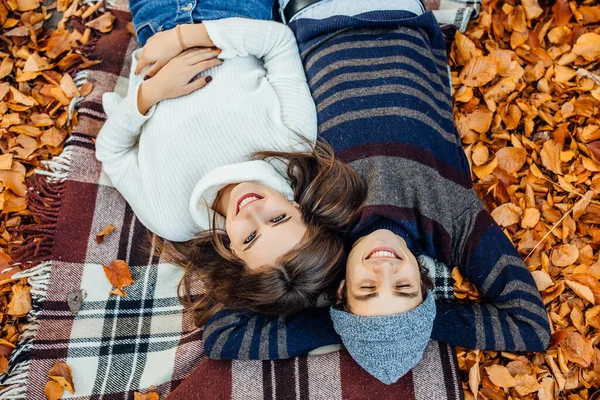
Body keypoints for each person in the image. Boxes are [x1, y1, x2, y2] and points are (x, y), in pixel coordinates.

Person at [201, 0, 551, 384]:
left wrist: (353, 326)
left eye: (367, 288)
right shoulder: (454, 221)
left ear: (341, 291)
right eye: (403, 287)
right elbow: (529, 325)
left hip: (314, 18)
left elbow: (224, 335)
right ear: (423, 286)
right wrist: (400, 323)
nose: (384, 268)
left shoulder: (316, 224)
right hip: (397, 12)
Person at [95, 0, 367, 325]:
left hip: (153, 22)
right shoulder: (292, 142)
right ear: (299, 209)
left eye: (250, 237)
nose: (252, 212)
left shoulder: (172, 217)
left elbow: (112, 152)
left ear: (234, 253)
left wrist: (150, 94)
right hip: (237, 9)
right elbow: (277, 42)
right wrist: (183, 37)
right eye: (278, 218)